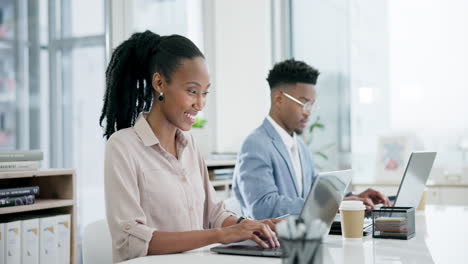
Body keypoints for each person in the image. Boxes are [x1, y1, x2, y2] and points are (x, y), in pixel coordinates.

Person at [100, 31, 280, 262]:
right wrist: (220, 235)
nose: (200, 103)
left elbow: (214, 214)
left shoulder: (189, 144)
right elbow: (132, 242)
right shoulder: (123, 147)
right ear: (159, 83)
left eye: (205, 92)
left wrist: (253, 226)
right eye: (192, 91)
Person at [232, 59, 390, 220]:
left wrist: (352, 198)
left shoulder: (300, 146)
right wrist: (335, 203)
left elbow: (312, 195)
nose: (308, 112)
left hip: (300, 238)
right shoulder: (256, 144)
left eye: (312, 105)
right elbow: (264, 207)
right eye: (303, 103)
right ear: (278, 99)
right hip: (270, 242)